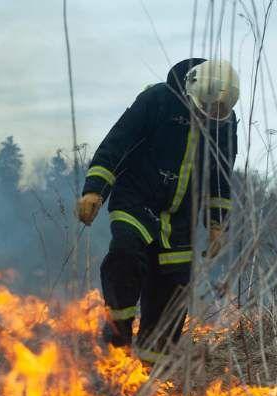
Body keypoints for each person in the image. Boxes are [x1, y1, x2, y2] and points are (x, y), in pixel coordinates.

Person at [76, 58, 239, 365]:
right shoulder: (158, 100)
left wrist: (218, 225)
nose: (211, 116)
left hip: (180, 220)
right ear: (193, 91)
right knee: (125, 256)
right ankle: (118, 337)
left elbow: (221, 175)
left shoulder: (225, 123)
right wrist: (94, 189)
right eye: (207, 108)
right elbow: (117, 144)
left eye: (219, 111)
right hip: (136, 200)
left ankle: (151, 370)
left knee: (173, 292)